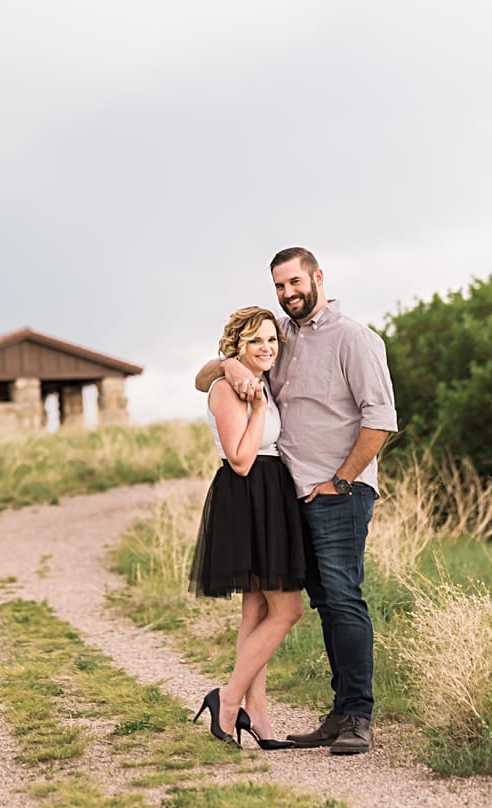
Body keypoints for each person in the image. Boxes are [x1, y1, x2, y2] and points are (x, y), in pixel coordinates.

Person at [195, 247, 398, 755]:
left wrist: (344, 480)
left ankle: (357, 715)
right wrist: (227, 364)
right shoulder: (281, 337)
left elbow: (380, 420)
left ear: (317, 277)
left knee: (342, 598)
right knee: (321, 602)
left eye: (294, 283)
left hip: (336, 494)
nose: (288, 294)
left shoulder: (354, 338)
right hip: (285, 497)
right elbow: (209, 377)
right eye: (279, 287)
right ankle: (333, 712)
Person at [190, 306, 305, 751]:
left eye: (272, 340)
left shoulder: (254, 379)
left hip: (270, 492)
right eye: (256, 340)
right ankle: (228, 697)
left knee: (256, 611)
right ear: (237, 343)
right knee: (287, 610)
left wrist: (255, 389)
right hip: (249, 492)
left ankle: (258, 715)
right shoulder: (228, 388)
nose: (267, 348)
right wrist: (256, 403)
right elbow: (240, 460)